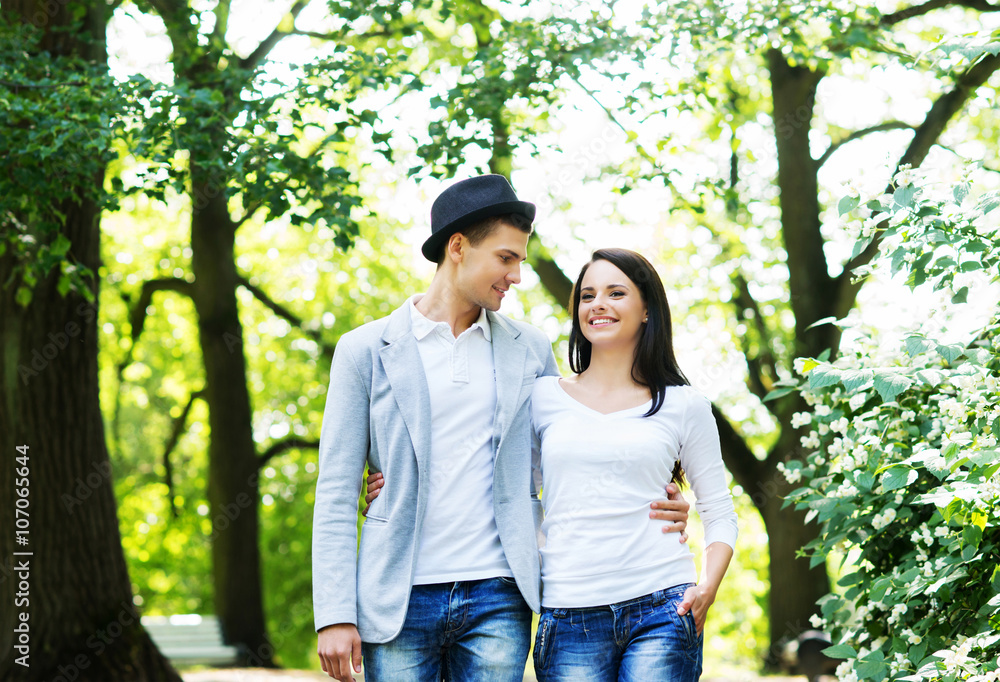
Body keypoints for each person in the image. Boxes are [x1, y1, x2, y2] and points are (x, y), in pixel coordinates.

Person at [312, 175, 690, 682]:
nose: (515, 275)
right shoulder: (364, 351)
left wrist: (656, 495)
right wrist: (335, 614)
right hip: (398, 596)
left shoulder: (529, 349)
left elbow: (567, 455)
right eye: (506, 258)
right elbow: (336, 490)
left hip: (500, 594)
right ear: (458, 247)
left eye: (519, 262)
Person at [529, 248, 738, 681]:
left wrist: (708, 587)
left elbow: (719, 509)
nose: (597, 304)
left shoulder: (685, 404)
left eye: (615, 292)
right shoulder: (542, 398)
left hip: (662, 605)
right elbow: (512, 491)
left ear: (647, 310)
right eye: (587, 296)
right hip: (569, 612)